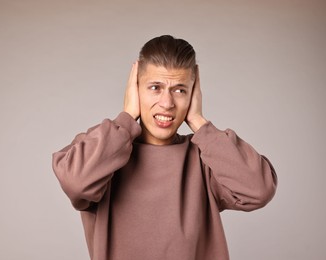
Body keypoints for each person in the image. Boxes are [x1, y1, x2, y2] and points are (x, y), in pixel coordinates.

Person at [52, 35, 277, 260]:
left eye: (180, 90)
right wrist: (127, 117)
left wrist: (199, 122)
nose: (167, 104)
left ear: (194, 95)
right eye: (155, 87)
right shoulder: (103, 149)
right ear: (135, 88)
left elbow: (259, 190)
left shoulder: (205, 158)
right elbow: (76, 182)